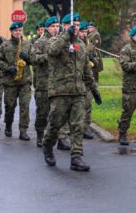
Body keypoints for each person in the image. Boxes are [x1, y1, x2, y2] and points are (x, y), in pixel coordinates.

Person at [42, 13, 102, 171]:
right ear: (65, 25)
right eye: (72, 25)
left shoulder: (81, 45)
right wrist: (65, 37)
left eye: (77, 24)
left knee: (77, 126)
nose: (76, 27)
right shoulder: (56, 41)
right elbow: (52, 51)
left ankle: (76, 157)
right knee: (55, 125)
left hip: (78, 92)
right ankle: (47, 146)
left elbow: (86, 70)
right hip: (60, 92)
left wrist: (94, 89)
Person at [0, 21, 31, 141]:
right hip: (10, 82)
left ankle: (23, 130)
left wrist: (29, 58)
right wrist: (8, 68)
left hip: (25, 80)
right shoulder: (5, 45)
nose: (18, 32)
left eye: (20, 30)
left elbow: (35, 59)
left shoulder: (27, 44)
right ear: (11, 32)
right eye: (16, 31)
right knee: (10, 106)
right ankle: (8, 125)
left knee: (25, 106)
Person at [31, 16, 60, 147]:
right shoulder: (40, 42)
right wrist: (48, 56)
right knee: (42, 112)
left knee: (57, 113)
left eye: (57, 26)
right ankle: (40, 134)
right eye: (53, 26)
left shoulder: (60, 41)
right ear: (48, 28)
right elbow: (34, 58)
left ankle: (56, 137)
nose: (56, 29)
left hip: (58, 83)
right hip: (43, 83)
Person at [78, 21, 98, 140]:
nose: (84, 34)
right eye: (82, 31)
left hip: (88, 79)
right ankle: (74, 128)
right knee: (76, 107)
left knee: (88, 105)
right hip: (76, 79)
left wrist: (92, 60)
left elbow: (97, 61)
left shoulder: (90, 45)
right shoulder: (74, 44)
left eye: (86, 31)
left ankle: (85, 128)